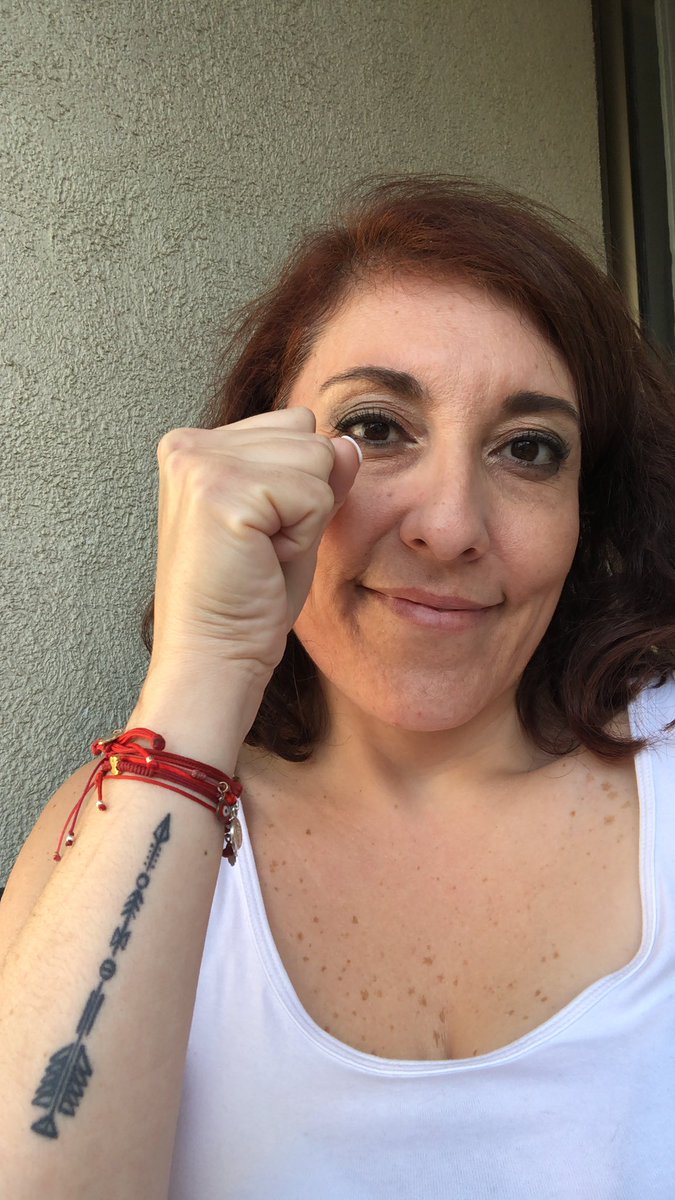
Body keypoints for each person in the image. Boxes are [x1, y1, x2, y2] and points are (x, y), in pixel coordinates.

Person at [1, 175, 674, 1200]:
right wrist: (204, 661)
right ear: (257, 464)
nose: (449, 525)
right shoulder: (112, 832)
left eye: (529, 449)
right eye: (377, 428)